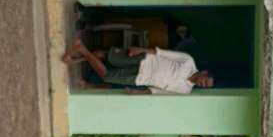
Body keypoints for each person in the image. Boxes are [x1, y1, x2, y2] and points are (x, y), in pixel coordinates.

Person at [62, 37, 214, 94]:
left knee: (107, 76)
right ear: (204, 73)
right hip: (145, 60)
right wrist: (141, 49)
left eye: (205, 86)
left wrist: (138, 92)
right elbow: (163, 53)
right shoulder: (188, 61)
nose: (202, 84)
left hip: (140, 79)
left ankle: (81, 49)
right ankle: (76, 56)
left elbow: (159, 91)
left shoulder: (185, 90)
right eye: (205, 81)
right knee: (109, 56)